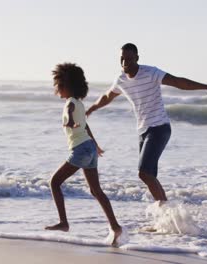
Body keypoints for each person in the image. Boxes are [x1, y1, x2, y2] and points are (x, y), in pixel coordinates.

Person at [86, 43, 207, 203]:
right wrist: (91, 109)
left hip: (159, 128)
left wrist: (206, 87)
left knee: (144, 173)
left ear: (137, 58)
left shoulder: (150, 72)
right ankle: (165, 215)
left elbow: (178, 82)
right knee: (149, 175)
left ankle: (167, 212)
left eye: (129, 59)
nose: (125, 63)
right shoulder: (121, 80)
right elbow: (107, 96)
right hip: (143, 131)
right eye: (122, 59)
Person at [45, 63, 122, 247]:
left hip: (80, 149)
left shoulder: (71, 103)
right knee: (96, 190)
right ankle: (115, 226)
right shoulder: (79, 103)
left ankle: (64, 222)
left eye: (57, 85)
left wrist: (70, 121)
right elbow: (85, 125)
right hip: (89, 148)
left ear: (65, 84)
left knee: (54, 182)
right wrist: (96, 145)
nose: (56, 89)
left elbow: (72, 115)